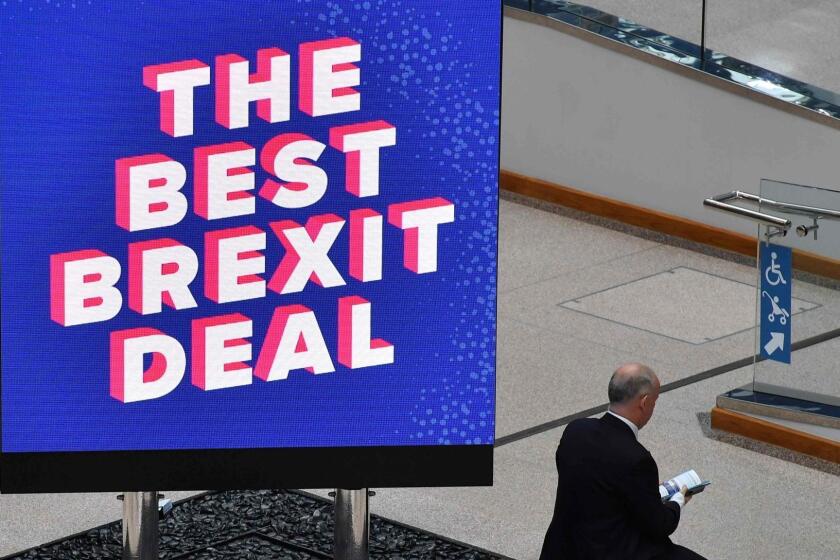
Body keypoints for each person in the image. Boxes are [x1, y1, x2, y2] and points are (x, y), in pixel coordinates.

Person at [539, 363, 706, 560]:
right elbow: (660, 525)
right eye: (655, 400)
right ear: (644, 402)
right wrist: (678, 500)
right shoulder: (637, 459)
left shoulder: (575, 431)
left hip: (562, 549)